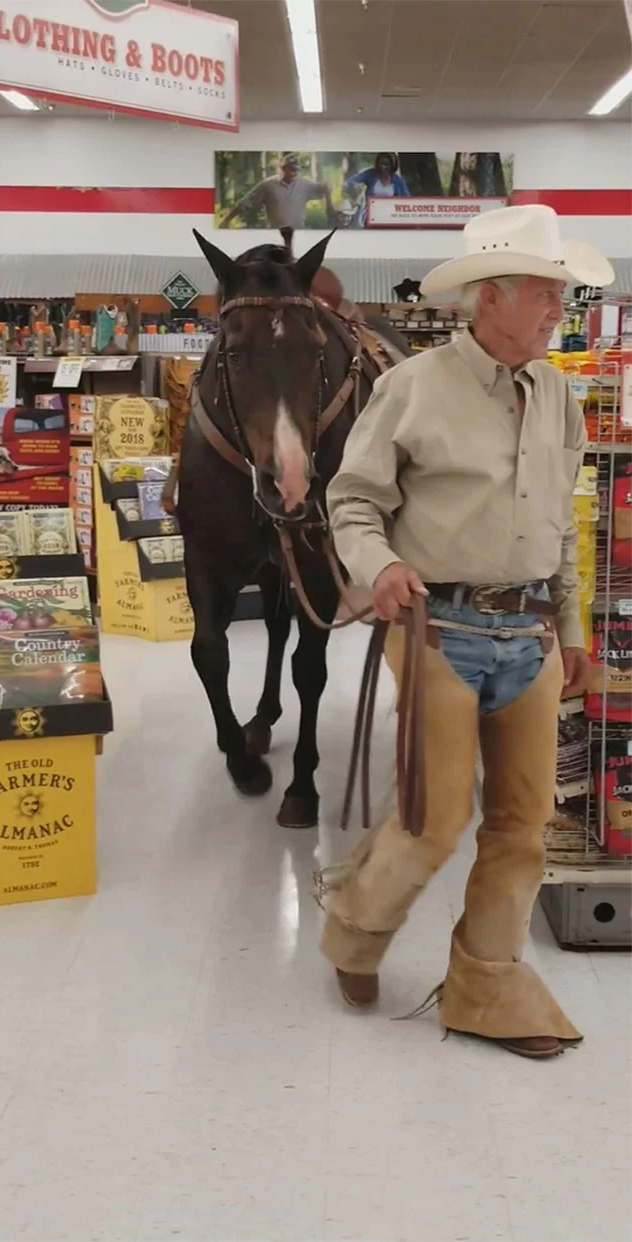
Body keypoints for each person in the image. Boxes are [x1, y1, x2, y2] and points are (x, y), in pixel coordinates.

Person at [317, 204, 614, 1059]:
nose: (560, 310)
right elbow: (352, 502)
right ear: (490, 297)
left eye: (561, 294)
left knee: (523, 825)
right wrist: (379, 567)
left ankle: (487, 989)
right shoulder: (409, 388)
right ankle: (355, 930)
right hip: (437, 629)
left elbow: (559, 525)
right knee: (433, 820)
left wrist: (572, 629)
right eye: (546, 294)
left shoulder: (557, 391)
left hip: (530, 637)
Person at [219, 153, 332, 230]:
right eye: (291, 169)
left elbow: (323, 188)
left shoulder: (304, 184)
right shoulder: (268, 185)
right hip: (275, 234)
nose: (294, 173)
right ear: (283, 168)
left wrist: (326, 187)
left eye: (296, 170)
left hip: (299, 233)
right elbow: (245, 202)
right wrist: (227, 220)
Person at [345, 152, 410, 226]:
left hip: (390, 217)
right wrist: (356, 186)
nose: (383, 167)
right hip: (371, 217)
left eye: (386, 164)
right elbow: (350, 181)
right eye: (381, 163)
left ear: (392, 165)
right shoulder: (370, 174)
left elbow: (408, 199)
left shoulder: (398, 181)